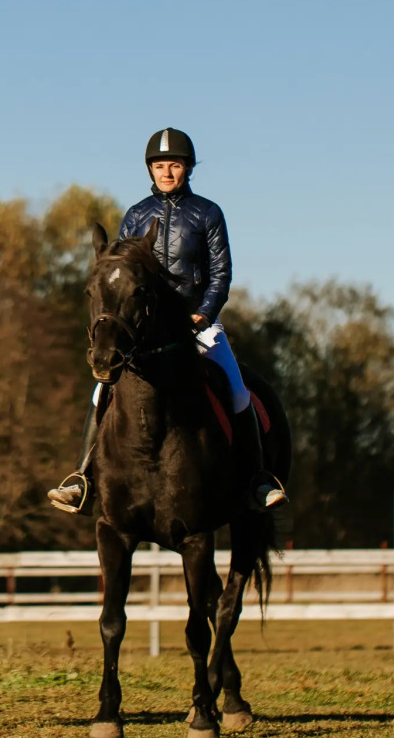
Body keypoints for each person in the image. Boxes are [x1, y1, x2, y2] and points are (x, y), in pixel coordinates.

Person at [47, 127, 287, 515]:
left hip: (198, 324)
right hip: (145, 333)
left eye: (174, 165)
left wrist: (203, 313)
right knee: (100, 392)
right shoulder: (136, 215)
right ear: (150, 170)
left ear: (186, 169)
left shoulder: (208, 213)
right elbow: (121, 275)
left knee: (238, 389)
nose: (167, 172)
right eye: (160, 166)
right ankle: (82, 477)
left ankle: (257, 478)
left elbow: (221, 274)